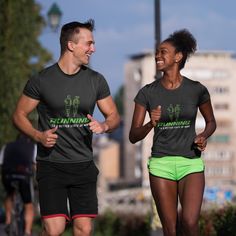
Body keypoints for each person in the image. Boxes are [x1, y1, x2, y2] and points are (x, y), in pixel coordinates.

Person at [12, 19, 120, 236]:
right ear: (71, 45)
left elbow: (114, 116)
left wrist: (104, 125)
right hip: (51, 164)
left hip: (83, 164)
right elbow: (19, 115)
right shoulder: (41, 80)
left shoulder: (96, 80)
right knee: (54, 229)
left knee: (84, 229)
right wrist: (38, 135)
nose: (93, 49)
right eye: (88, 43)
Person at [129, 29, 216, 236]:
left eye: (163, 52)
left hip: (190, 163)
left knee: (190, 222)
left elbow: (212, 121)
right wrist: (151, 123)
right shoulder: (147, 93)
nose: (158, 56)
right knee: (170, 229)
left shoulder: (196, 90)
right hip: (161, 164)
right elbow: (133, 136)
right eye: (157, 52)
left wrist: (203, 135)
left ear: (178, 57)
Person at [0, 133, 36, 236]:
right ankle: (27, 231)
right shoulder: (32, 146)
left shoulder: (7, 146)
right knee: (28, 204)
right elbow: (35, 164)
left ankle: (8, 221)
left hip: (8, 176)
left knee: (9, 195)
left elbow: (1, 163)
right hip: (23, 177)